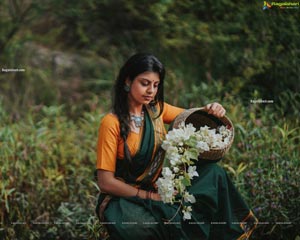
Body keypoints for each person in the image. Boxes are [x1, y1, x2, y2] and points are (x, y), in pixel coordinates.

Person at [95, 53, 257, 240]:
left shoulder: (156, 110)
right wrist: (149, 197)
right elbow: (106, 182)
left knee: (213, 174)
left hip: (160, 187)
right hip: (125, 197)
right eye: (144, 83)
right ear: (128, 81)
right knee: (141, 228)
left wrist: (213, 108)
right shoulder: (111, 123)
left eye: (155, 85)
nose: (151, 91)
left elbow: (194, 117)